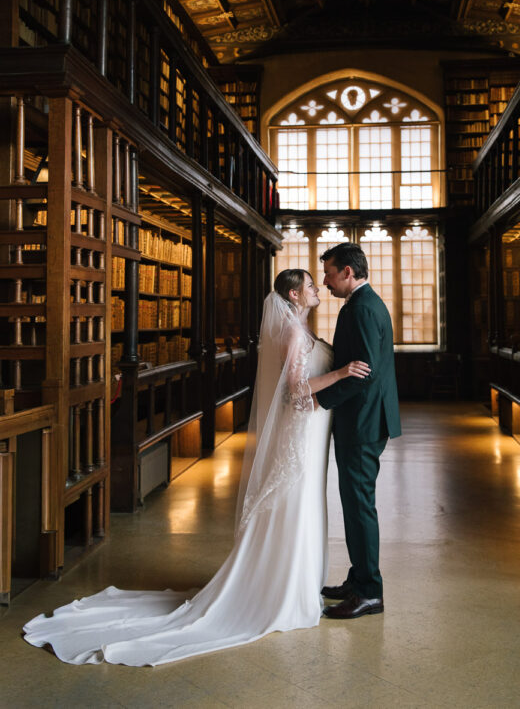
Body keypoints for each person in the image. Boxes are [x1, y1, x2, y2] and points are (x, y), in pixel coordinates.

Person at [23, 269, 369, 666]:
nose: (317, 288)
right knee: (294, 507)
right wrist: (342, 373)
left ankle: (295, 585)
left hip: (308, 435)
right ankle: (282, 591)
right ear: (294, 294)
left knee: (303, 508)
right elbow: (293, 390)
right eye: (310, 285)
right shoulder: (292, 333)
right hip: (300, 437)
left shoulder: (298, 329)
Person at [317, 242, 401, 620]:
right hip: (362, 418)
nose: (325, 281)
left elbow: (362, 371)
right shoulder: (361, 304)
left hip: (363, 421)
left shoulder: (364, 308)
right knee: (354, 504)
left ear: (348, 272)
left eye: (330, 273)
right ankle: (358, 579)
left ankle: (369, 591)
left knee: (359, 505)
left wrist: (322, 399)